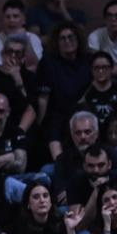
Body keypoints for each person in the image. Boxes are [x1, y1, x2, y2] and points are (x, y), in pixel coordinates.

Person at [38, 22, 92, 151]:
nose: (67, 41)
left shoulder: (88, 60)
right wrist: (39, 122)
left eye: (71, 37)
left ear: (78, 39)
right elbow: (43, 97)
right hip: (58, 113)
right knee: (53, 124)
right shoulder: (48, 63)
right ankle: (59, 163)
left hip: (83, 110)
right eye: (62, 38)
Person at [0, 0, 43, 69]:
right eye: (8, 17)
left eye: (15, 16)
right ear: (3, 20)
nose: (11, 20)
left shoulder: (33, 38)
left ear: (24, 20)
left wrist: (26, 41)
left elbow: (36, 65)